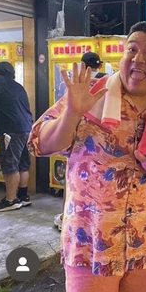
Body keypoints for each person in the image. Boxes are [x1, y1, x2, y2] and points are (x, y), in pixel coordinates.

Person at [28, 22, 146, 292]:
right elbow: (39, 143)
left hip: (144, 250)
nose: (138, 58)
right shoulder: (91, 95)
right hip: (90, 249)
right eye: (131, 50)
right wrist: (71, 113)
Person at [54, 50, 106, 232]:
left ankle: (67, 218)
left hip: (76, 142)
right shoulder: (109, 83)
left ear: (82, 65)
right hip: (102, 145)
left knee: (73, 182)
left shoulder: (73, 84)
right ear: (100, 65)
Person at [0, 61, 33, 212]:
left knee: (9, 164)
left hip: (10, 130)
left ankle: (11, 200)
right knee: (22, 163)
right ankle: (23, 196)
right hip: (26, 128)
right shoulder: (18, 86)